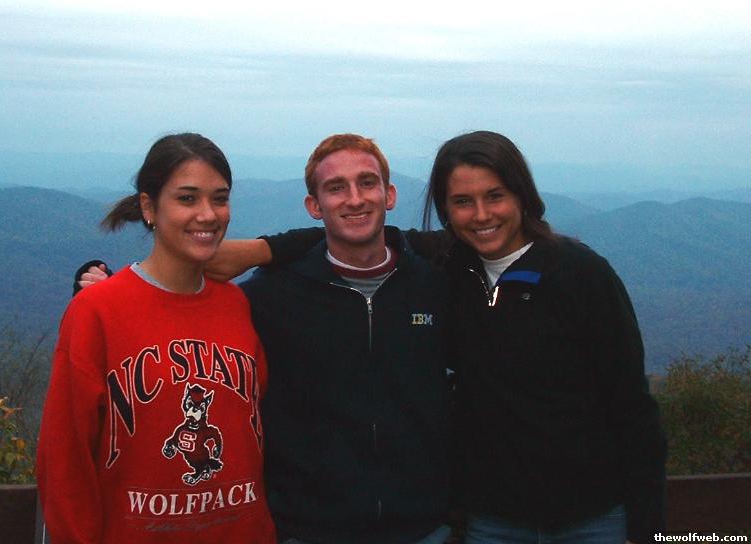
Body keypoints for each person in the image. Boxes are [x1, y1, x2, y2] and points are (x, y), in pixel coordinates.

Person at [199, 131, 667, 544]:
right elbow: (350, 234)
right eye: (463, 202)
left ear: (390, 195)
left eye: (495, 196)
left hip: (577, 517)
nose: (481, 215)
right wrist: (269, 249)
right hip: (466, 521)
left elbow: (632, 406)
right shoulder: (443, 270)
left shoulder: (560, 274)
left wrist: (646, 527)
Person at [74, 134, 454, 544]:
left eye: (367, 183)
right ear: (314, 206)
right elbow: (184, 314)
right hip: (310, 530)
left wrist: (265, 247)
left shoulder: (435, 285)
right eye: (336, 188)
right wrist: (114, 293)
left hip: (424, 528)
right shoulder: (273, 296)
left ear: (389, 194)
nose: (355, 198)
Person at [36, 133, 276, 543]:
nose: (208, 214)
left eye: (219, 199)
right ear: (149, 207)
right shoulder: (96, 313)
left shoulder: (236, 305)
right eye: (187, 198)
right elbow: (64, 457)